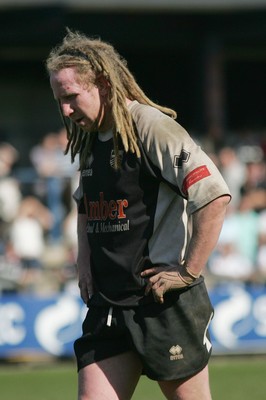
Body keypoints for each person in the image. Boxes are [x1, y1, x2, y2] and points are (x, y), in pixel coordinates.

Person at [46, 29, 231, 400]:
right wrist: (85, 262)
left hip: (161, 303)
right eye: (59, 100)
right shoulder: (88, 138)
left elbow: (214, 195)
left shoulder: (151, 126)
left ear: (101, 82)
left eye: (71, 97)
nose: (65, 110)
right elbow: (84, 205)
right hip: (109, 305)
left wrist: (189, 271)